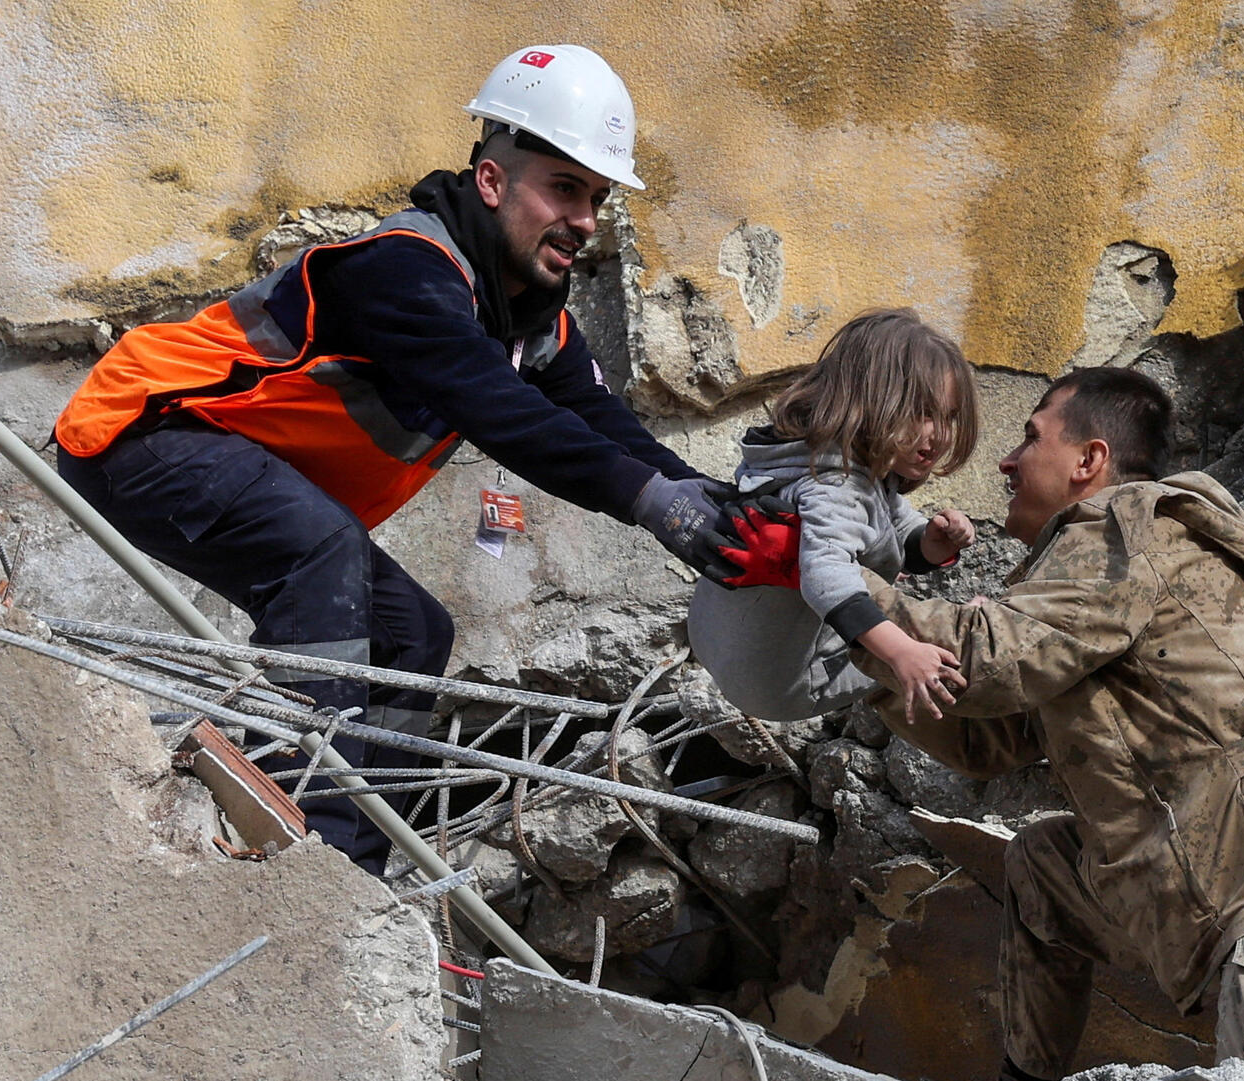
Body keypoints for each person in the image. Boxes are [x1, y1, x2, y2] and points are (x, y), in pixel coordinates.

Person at [51, 45, 756, 875]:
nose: (586, 219)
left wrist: (714, 500)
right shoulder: (406, 269)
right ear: (491, 182)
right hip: (140, 432)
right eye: (563, 188)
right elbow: (498, 409)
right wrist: (649, 503)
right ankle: (284, 849)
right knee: (324, 552)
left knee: (413, 632)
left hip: (224, 458)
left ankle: (350, 875)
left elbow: (602, 421)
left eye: (597, 198)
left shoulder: (535, 325)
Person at [850, 367, 1244, 1081]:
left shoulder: (1126, 530)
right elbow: (985, 737)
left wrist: (837, 589)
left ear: (1090, 461)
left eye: (1030, 436)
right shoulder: (1079, 584)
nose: (1006, 461)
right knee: (1044, 866)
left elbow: (988, 656)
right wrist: (865, 655)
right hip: (1224, 896)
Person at [687, 308, 979, 723]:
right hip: (789, 685)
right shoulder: (835, 486)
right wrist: (903, 653)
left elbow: (891, 521)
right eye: (924, 413)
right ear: (871, 401)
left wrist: (930, 541)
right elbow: (827, 578)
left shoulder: (812, 458)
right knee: (960, 651)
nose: (940, 435)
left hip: (718, 642)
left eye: (948, 417)